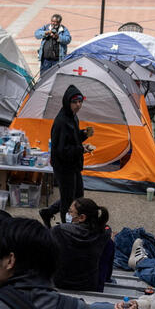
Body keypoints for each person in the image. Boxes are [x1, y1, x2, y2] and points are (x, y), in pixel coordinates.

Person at [39, 85, 94, 228]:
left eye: (80, 101)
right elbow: (62, 151)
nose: (78, 105)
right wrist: (81, 149)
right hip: (64, 166)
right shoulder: (62, 122)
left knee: (77, 196)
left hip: (73, 164)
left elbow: (72, 139)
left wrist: (83, 134)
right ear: (67, 102)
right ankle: (66, 230)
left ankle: (48, 212)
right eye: (75, 102)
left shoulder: (72, 117)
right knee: (69, 201)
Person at [51, 197, 110, 291]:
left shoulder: (59, 230)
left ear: (82, 217)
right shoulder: (104, 234)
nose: (68, 214)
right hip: (90, 286)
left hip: (60, 284)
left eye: (70, 212)